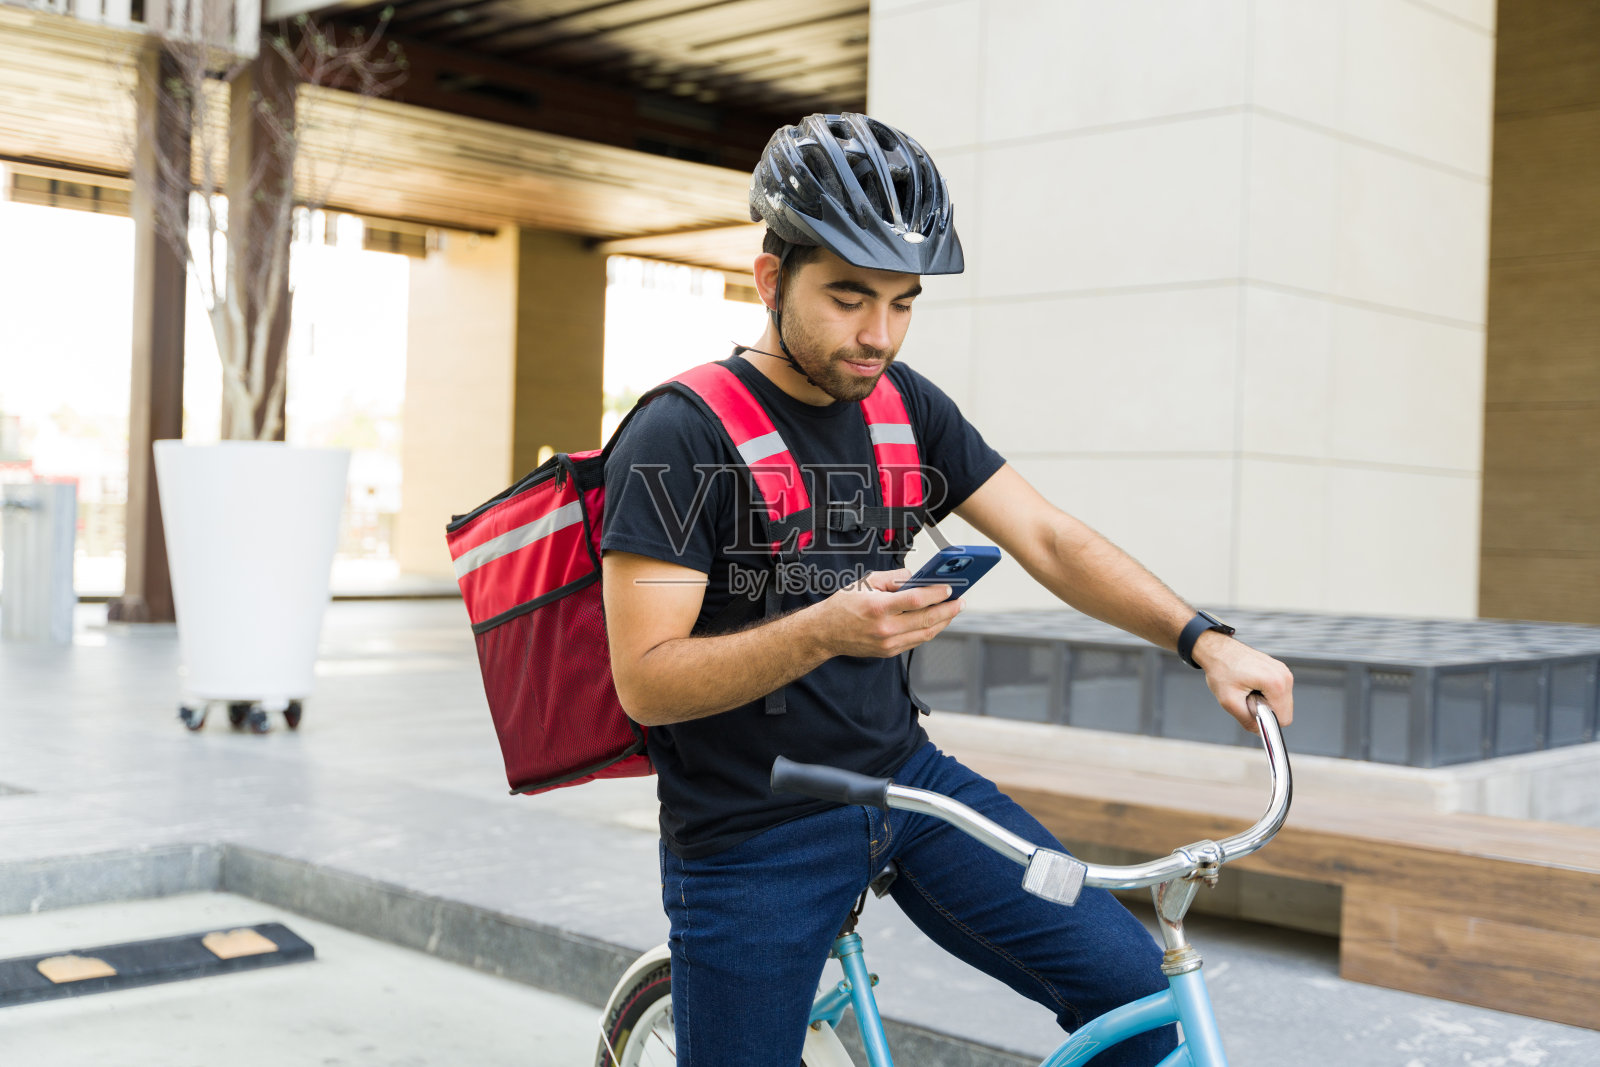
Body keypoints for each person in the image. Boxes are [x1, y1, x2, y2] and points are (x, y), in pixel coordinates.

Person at [600, 112, 1295, 1067]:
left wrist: (1204, 639)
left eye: (903, 302)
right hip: (751, 830)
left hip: (913, 790)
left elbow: (1048, 536)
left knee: (1141, 999)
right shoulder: (679, 435)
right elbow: (645, 680)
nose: (877, 334)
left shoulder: (902, 404)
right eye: (848, 297)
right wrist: (827, 630)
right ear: (771, 280)